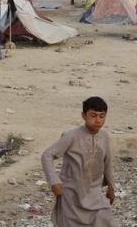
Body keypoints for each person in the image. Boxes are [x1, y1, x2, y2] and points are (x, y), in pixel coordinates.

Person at [41, 97, 117, 227]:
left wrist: (111, 186)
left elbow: (107, 162)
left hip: (94, 193)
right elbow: (47, 155)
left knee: (105, 219)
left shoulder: (104, 136)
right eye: (93, 115)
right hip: (71, 195)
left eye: (102, 116)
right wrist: (54, 182)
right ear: (83, 116)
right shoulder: (71, 136)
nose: (98, 120)